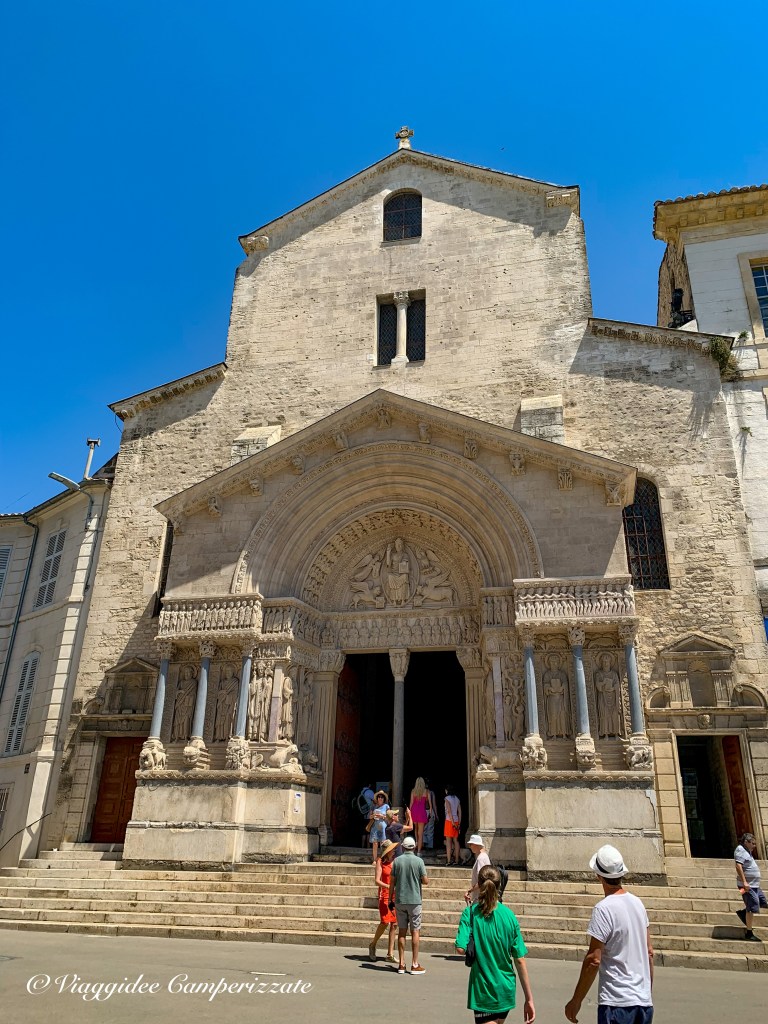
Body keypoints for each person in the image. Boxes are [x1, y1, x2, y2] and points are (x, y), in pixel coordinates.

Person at [565, 844, 653, 1024]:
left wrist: (576, 1000)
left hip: (616, 1002)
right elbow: (649, 952)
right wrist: (645, 992)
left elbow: (594, 960)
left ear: (599, 876)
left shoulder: (603, 909)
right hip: (643, 1004)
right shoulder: (638, 904)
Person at [455, 864, 536, 1024]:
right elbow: (519, 959)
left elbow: (460, 948)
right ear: (500, 884)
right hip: (505, 988)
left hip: (483, 990)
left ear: (479, 884)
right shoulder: (509, 916)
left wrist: (468, 921)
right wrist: (529, 999)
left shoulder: (470, 913)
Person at [389, 835, 429, 974]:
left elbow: (392, 882)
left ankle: (401, 963)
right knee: (415, 931)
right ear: (414, 847)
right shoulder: (419, 861)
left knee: (401, 931)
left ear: (403, 846)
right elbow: (425, 880)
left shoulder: (397, 861)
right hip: (414, 900)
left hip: (400, 899)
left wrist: (390, 899)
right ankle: (414, 963)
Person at [368, 839, 398, 963]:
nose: (394, 851)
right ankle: (373, 944)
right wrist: (388, 886)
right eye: (392, 849)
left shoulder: (395, 861)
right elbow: (377, 881)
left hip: (395, 895)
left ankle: (390, 953)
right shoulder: (380, 861)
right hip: (385, 895)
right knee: (385, 922)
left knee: (394, 924)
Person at [734, 832, 766, 941]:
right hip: (746, 886)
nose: (755, 845)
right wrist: (744, 883)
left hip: (754, 885)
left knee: (763, 902)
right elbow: (738, 866)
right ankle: (749, 932)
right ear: (746, 842)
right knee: (752, 907)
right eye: (753, 843)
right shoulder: (740, 850)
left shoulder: (748, 851)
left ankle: (744, 913)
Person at [465, 834, 491, 904]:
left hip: (480, 896)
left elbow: (481, 880)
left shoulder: (481, 858)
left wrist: (470, 891)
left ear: (475, 844)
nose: (470, 847)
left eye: (471, 844)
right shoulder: (484, 856)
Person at [409, 776, 432, 855]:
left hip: (414, 811)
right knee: (421, 832)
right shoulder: (426, 791)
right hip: (422, 811)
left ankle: (416, 842)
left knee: (416, 829)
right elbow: (430, 804)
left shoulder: (413, 791)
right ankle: (418, 851)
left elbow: (411, 803)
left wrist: (409, 814)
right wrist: (431, 813)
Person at [368, 790, 389, 863]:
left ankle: (382, 859)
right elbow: (369, 817)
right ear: (377, 798)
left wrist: (382, 816)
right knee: (375, 843)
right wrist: (373, 815)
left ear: (384, 799)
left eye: (382, 797)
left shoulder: (386, 806)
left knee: (382, 843)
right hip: (375, 827)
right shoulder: (373, 806)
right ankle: (374, 859)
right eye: (379, 797)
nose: (380, 798)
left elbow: (389, 817)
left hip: (383, 827)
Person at [444, 784, 462, 866]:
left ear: (447, 791)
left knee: (448, 842)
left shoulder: (447, 798)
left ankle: (448, 860)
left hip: (449, 821)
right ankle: (457, 860)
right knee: (456, 841)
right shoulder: (457, 799)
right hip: (457, 820)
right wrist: (459, 823)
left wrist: (452, 822)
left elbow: (449, 811)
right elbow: (460, 812)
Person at [423, 778, 439, 850]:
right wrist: (436, 814)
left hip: (423, 812)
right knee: (430, 829)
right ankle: (429, 845)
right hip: (430, 811)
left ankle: (424, 843)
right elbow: (434, 804)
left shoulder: (421, 792)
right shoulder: (431, 792)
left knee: (423, 829)